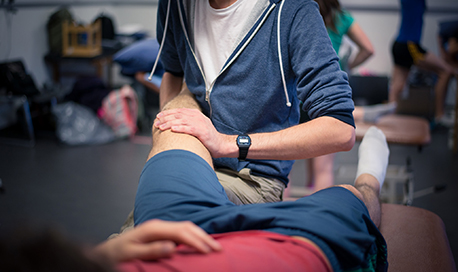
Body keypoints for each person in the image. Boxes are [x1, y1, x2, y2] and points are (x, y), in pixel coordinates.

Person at [0, 89, 390, 272]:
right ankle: (371, 176)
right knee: (354, 200)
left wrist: (97, 258)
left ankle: (193, 91)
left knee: (177, 116)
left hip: (169, 228)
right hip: (279, 249)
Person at [149, 0, 356, 207]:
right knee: (143, 224)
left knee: (174, 209)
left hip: (251, 177)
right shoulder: (174, 5)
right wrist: (167, 138)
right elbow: (173, 72)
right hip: (193, 161)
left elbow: (341, 130)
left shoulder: (292, 9)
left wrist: (226, 143)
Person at [300, 0, 395, 194]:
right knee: (324, 168)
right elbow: (368, 49)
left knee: (284, 170)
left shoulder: (295, 11)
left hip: (295, 94)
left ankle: (281, 219)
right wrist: (346, 66)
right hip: (325, 92)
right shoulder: (340, 17)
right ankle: (318, 217)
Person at [389, 0, 456, 128]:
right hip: (409, 45)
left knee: (398, 84)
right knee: (445, 71)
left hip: (401, 43)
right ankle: (439, 116)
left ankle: (390, 119)